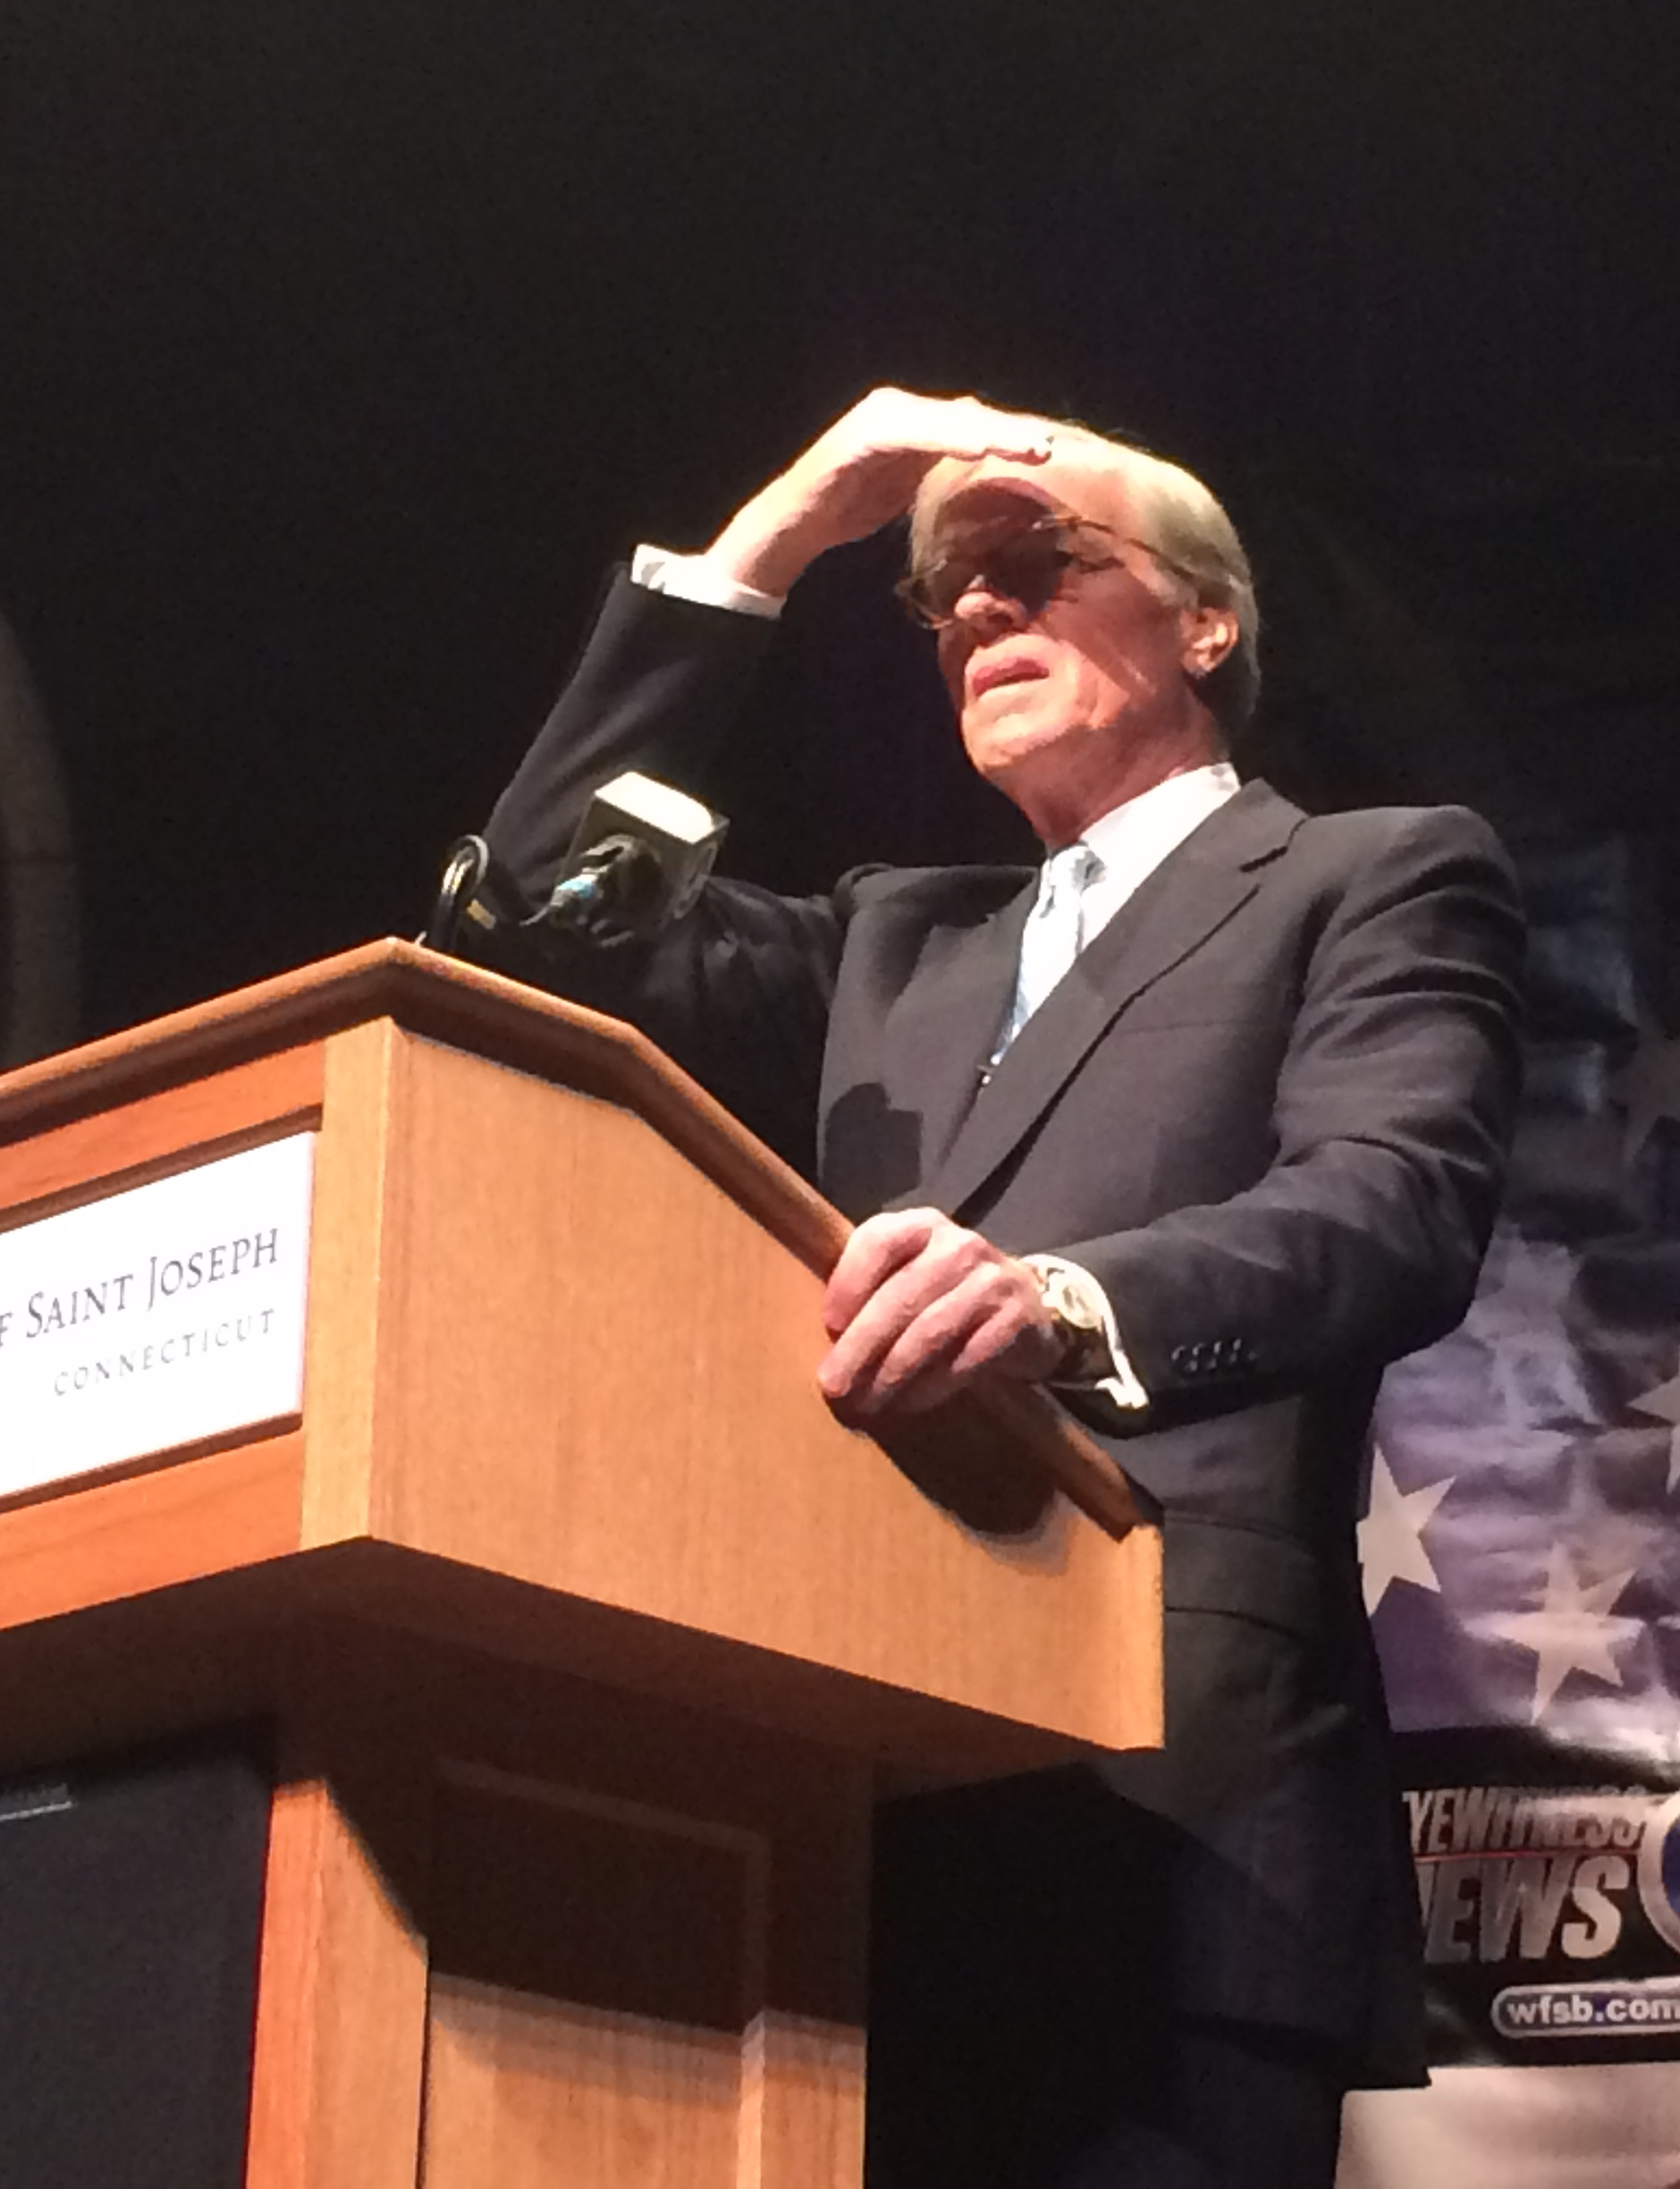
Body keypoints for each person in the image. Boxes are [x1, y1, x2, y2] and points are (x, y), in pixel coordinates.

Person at [466, 388, 1524, 2188]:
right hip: (845, 1810)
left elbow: (1390, 1206)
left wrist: (1061, 1302)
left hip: (1174, 1818)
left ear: (1204, 622)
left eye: (1035, 564)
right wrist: (776, 537)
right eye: (942, 588)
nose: (973, 609)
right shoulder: (894, 933)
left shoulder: (1372, 873)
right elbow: (536, 921)